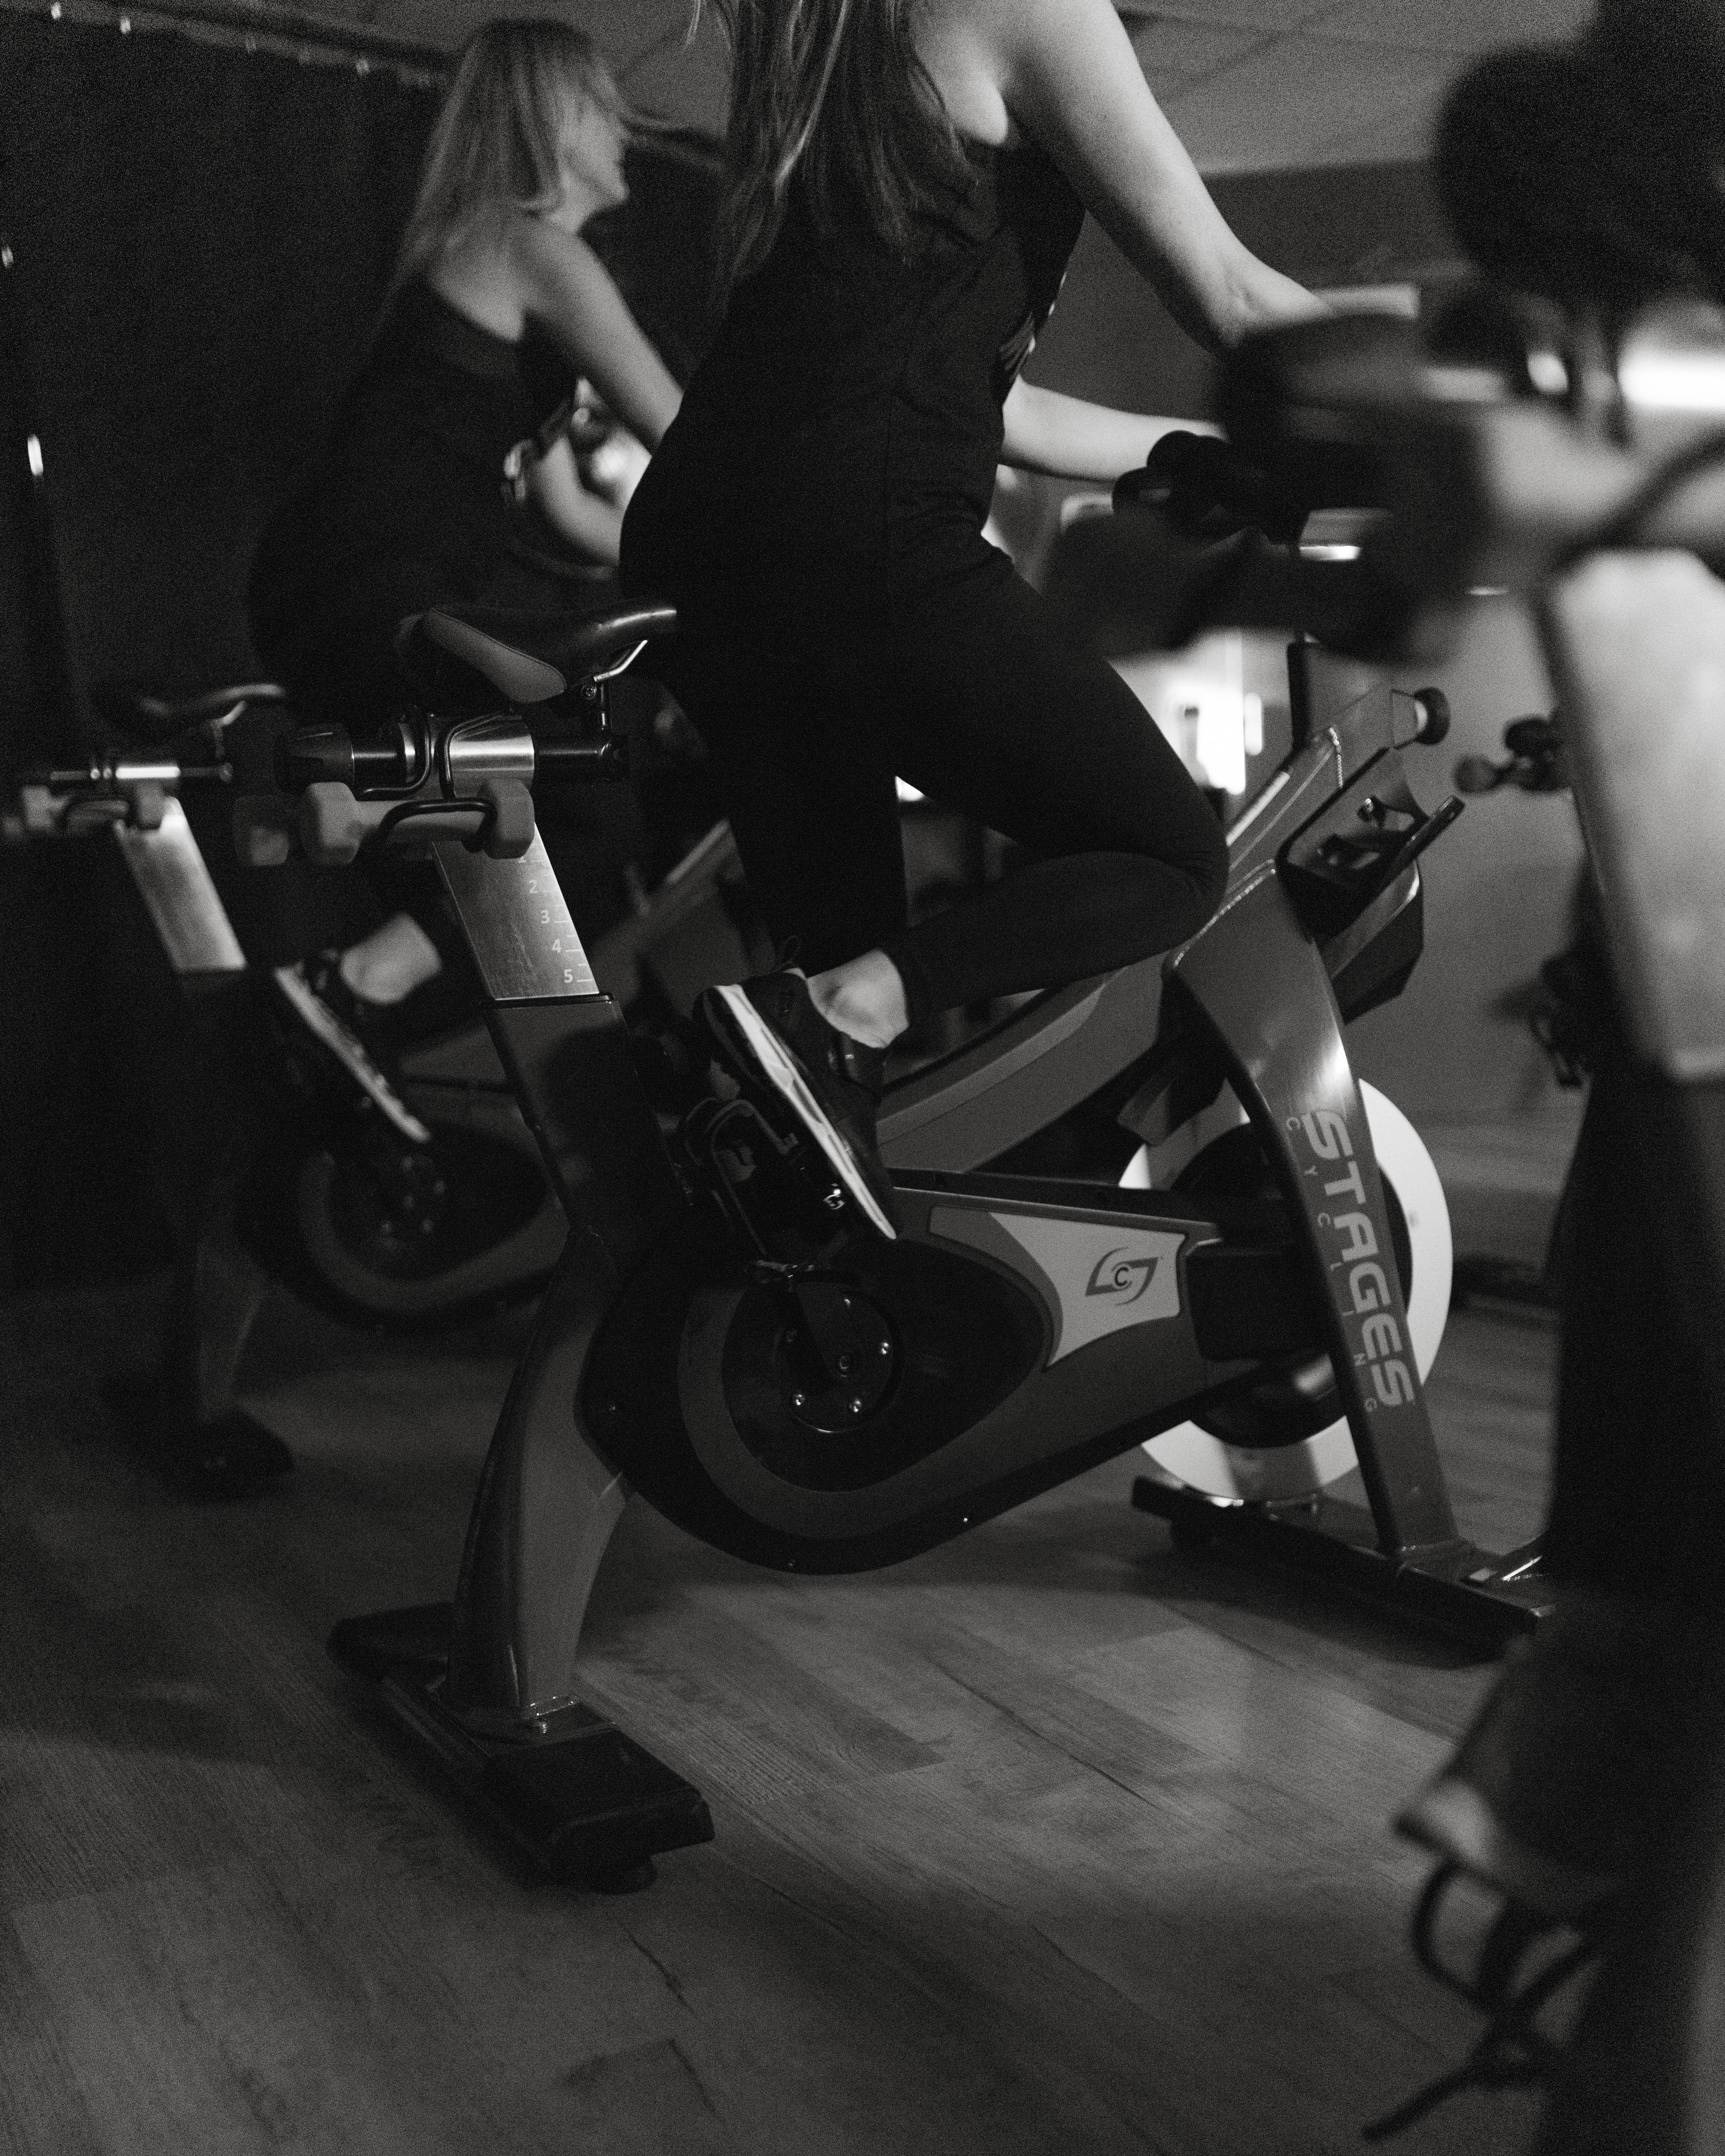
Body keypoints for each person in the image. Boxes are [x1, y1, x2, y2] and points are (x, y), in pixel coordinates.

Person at [619, 0, 1324, 1229]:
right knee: (1168, 859)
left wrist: (1194, 452)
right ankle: (854, 1011)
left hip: (712, 543)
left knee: (819, 1059)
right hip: (860, 535)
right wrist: (1471, 416)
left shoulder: (850, 33)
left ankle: (780, 1271)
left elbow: (994, 404)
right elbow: (1230, 294)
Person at [248, 19, 681, 1131]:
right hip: (370, 581)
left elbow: (574, 512)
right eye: (602, 103)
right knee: (586, 802)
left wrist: (685, 574)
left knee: (561, 803)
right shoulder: (531, 245)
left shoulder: (496, 261)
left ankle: (365, 995)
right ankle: (356, 976)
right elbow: (686, 441)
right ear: (556, 120)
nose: (626, 127)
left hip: (342, 581)